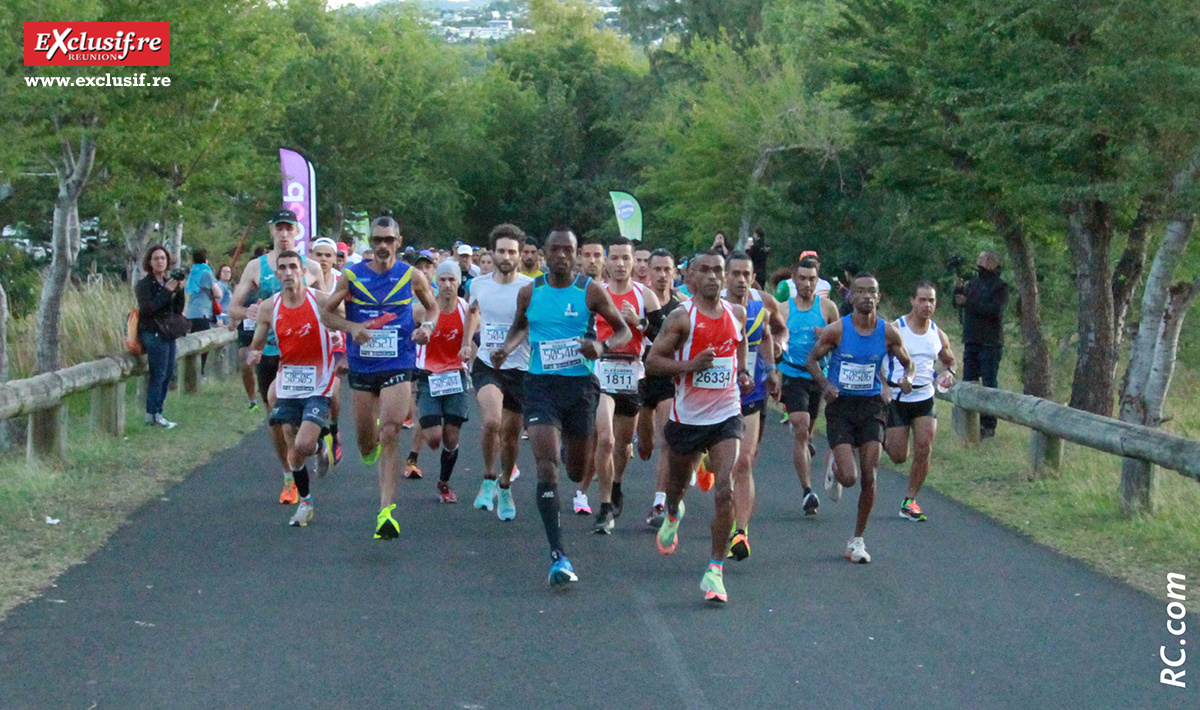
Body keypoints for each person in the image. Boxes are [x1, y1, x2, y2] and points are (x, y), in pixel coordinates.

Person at [491, 227, 630, 586]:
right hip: (540, 386)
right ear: (542, 254)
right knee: (546, 467)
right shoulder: (530, 291)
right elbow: (519, 328)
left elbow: (622, 331)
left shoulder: (590, 291)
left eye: (569, 250)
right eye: (555, 249)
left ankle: (571, 449)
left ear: (577, 254)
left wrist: (600, 347)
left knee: (574, 470)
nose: (562, 256)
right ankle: (558, 554)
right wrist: (506, 349)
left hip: (579, 389)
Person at [319, 213, 439, 539]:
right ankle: (365, 444)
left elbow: (432, 308)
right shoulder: (352, 276)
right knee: (367, 444)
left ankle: (386, 511)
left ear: (398, 243)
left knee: (390, 431)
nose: (383, 246)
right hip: (361, 366)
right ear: (370, 244)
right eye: (377, 240)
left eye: (389, 240)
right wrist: (352, 327)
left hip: (398, 361)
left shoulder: (412, 276)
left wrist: (426, 327)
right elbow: (326, 313)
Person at [646, 250, 751, 603]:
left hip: (726, 413)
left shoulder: (737, 313)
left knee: (725, 490)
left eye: (717, 270)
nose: (712, 276)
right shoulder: (681, 318)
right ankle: (673, 514)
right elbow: (653, 363)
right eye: (704, 270)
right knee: (676, 489)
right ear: (690, 277)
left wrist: (743, 371)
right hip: (687, 418)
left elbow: (740, 345)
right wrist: (690, 365)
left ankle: (715, 571)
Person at [806, 272, 914, 564]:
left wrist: (905, 380)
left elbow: (908, 364)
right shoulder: (838, 330)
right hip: (841, 407)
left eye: (872, 292)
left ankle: (857, 540)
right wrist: (826, 385)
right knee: (850, 478)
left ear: (879, 297)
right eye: (861, 291)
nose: (867, 296)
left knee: (870, 472)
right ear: (850, 296)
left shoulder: (888, 332)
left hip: (872, 407)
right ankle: (835, 466)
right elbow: (812, 360)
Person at [228, 209, 324, 505]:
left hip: (306, 354)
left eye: (289, 228)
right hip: (271, 351)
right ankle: (288, 476)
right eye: (279, 228)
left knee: (305, 413)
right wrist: (249, 312)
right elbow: (232, 308)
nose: (284, 234)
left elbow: (326, 309)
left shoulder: (311, 267)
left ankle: (317, 439)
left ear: (297, 232)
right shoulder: (257, 267)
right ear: (272, 232)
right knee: (276, 419)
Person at [246, 250, 337, 527]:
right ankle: (305, 503)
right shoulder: (269, 307)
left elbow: (346, 322)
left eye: (292, 267)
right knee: (293, 447)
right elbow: (258, 341)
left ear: (302, 271)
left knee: (303, 443)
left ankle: (320, 442)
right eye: (282, 268)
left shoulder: (320, 301)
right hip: (289, 381)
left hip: (319, 381)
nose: (287, 272)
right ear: (277, 274)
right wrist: (254, 353)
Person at [590, 236, 661, 534]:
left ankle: (616, 484)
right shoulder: (596, 294)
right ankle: (605, 506)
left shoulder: (645, 296)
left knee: (622, 446)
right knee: (605, 440)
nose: (620, 264)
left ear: (635, 263)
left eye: (626, 259)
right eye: (615, 258)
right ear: (607, 261)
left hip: (632, 373)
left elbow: (662, 336)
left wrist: (640, 324)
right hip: (601, 372)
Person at [467, 224, 534, 519]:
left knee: (510, 436)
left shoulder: (530, 288)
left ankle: (505, 485)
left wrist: (509, 346)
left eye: (512, 252)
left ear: (520, 256)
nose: (506, 256)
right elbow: (474, 314)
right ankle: (488, 477)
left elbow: (531, 325)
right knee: (492, 421)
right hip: (487, 365)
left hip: (520, 368)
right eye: (501, 251)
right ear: (491, 253)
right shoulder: (478, 285)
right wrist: (468, 342)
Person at [722, 252, 784, 560]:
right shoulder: (711, 305)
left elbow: (769, 336)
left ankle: (741, 532)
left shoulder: (762, 305)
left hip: (750, 392)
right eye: (736, 273)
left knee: (744, 461)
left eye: (747, 274)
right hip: (714, 396)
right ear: (725, 277)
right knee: (723, 464)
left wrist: (772, 370)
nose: (742, 280)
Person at [884, 281, 957, 522]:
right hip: (898, 397)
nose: (927, 305)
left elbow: (949, 360)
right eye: (922, 300)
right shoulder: (897, 329)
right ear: (912, 301)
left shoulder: (937, 333)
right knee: (898, 456)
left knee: (924, 447)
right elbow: (876, 360)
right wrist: (884, 385)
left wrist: (949, 373)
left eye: (932, 301)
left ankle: (910, 501)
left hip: (925, 397)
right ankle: (880, 434)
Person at [778, 257, 840, 514]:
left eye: (811, 279)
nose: (806, 283)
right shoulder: (783, 309)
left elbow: (840, 342)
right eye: (802, 278)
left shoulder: (827, 308)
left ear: (818, 280)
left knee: (808, 431)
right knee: (800, 427)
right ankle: (807, 491)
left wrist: (825, 335)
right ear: (794, 280)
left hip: (819, 377)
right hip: (792, 374)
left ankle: (812, 448)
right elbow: (772, 341)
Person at [414, 260, 474, 504]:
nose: (447, 285)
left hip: (455, 378)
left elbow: (473, 340)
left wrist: (469, 349)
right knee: (433, 438)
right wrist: (414, 336)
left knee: (451, 437)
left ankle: (444, 482)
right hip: (429, 377)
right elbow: (406, 332)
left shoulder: (466, 310)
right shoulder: (422, 310)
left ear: (459, 282)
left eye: (452, 280)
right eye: (443, 280)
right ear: (435, 283)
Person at [637, 249, 682, 527]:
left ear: (675, 273)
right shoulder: (638, 300)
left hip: (667, 378)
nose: (663, 275)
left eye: (668, 270)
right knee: (646, 445)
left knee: (667, 441)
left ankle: (659, 502)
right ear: (648, 272)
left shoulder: (681, 306)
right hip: (640, 377)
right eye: (658, 270)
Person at [954, 250, 1007, 438]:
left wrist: (968, 303)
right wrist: (958, 292)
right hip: (972, 339)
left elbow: (994, 311)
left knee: (989, 383)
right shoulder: (973, 284)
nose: (979, 263)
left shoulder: (999, 287)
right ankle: (967, 422)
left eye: (983, 259)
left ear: (992, 263)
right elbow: (960, 305)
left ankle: (988, 425)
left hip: (990, 342)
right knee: (969, 380)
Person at [136, 245, 186, 429]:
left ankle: (159, 412)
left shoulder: (168, 281)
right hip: (152, 332)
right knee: (158, 374)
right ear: (150, 262)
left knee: (167, 374)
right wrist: (165, 292)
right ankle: (152, 414)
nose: (160, 262)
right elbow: (148, 309)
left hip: (168, 332)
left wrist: (179, 291)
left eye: (163, 258)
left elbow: (177, 310)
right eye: (156, 258)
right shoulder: (144, 285)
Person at [183, 248, 221, 376]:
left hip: (190, 313)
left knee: (192, 345)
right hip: (202, 313)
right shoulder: (206, 273)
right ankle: (199, 373)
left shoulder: (192, 273)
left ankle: (191, 373)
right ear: (206, 260)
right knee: (204, 345)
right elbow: (218, 293)